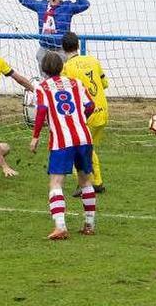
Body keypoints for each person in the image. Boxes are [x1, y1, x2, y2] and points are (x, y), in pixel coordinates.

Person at [29, 52, 97, 240]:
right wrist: (81, 120)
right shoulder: (76, 83)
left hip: (62, 141)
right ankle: (89, 225)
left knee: (56, 182)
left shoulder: (42, 87)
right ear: (62, 66)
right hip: (84, 137)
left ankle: (60, 227)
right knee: (85, 180)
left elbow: (42, 110)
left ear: (43, 69)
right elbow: (90, 105)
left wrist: (35, 136)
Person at [61, 32, 108, 196]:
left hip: (87, 113)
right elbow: (104, 83)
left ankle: (85, 183)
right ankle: (97, 182)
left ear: (63, 48)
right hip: (103, 112)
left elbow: (65, 95)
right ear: (78, 45)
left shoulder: (67, 68)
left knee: (76, 149)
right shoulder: (93, 60)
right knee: (89, 148)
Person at [19, 0, 89, 72]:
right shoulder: (42, 6)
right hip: (44, 49)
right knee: (46, 79)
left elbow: (85, 4)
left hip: (61, 50)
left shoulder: (67, 7)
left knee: (63, 76)